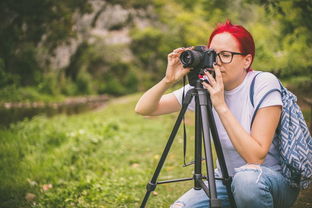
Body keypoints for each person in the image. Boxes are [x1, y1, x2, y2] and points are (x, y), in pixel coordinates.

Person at [135, 20, 299, 208]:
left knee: (246, 182)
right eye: (213, 55)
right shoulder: (206, 86)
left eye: (226, 55)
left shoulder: (263, 83)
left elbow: (255, 157)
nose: (217, 63)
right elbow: (144, 108)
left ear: (247, 60)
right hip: (226, 180)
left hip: (268, 181)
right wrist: (168, 79)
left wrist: (220, 104)